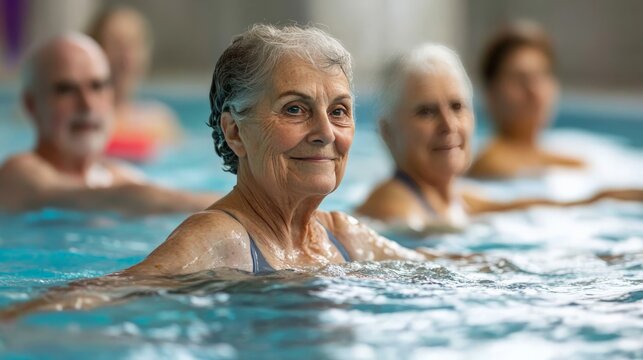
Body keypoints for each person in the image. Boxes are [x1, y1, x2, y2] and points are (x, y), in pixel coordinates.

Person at [1, 25, 458, 320]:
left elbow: (465, 276)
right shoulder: (220, 240)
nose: (325, 133)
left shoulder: (344, 235)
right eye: (295, 109)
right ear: (235, 133)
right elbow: (95, 295)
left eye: (339, 111)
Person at [356, 43, 642, 235]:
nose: (449, 125)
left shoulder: (454, 199)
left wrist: (607, 198)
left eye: (457, 106)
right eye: (426, 112)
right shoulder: (394, 204)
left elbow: (538, 207)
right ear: (387, 132)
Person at [0, 33, 217, 215]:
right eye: (65, 89)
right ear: (31, 105)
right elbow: (125, 198)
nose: (87, 104)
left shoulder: (122, 176)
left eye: (97, 86)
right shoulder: (18, 175)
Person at [468, 21, 585, 178]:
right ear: (491, 93)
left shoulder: (563, 159)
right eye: (519, 78)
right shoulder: (489, 165)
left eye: (541, 76)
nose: (534, 91)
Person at [88, 6, 182, 161]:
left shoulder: (160, 121)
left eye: (135, 43)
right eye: (117, 44)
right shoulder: (83, 120)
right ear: (95, 50)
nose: (127, 55)